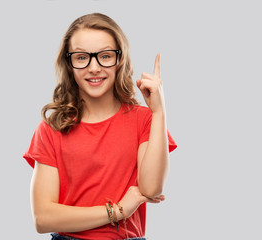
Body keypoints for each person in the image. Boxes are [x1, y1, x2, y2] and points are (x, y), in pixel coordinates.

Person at [23, 12, 177, 240]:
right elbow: (43, 218)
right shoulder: (51, 128)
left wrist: (159, 111)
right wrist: (117, 211)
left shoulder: (144, 120)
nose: (94, 67)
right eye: (82, 57)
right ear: (69, 63)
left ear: (119, 60)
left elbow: (152, 188)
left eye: (105, 56)